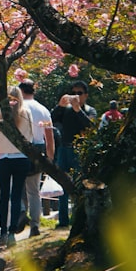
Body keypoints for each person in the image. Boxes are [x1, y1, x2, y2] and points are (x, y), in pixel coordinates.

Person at [0, 86, 34, 247]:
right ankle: (13, 233)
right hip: (21, 158)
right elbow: (31, 136)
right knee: (16, 196)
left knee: (4, 196)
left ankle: (3, 232)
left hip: (4, 159)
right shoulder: (26, 113)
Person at [51, 80, 97, 227]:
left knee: (79, 185)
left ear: (86, 95)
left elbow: (91, 127)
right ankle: (63, 220)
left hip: (79, 151)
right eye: (74, 93)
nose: (76, 96)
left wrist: (78, 110)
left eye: (79, 93)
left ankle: (79, 219)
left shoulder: (90, 111)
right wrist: (60, 106)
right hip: (64, 149)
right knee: (62, 184)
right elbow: (51, 120)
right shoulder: (66, 110)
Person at [18, 79, 55, 238]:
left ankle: (20, 212)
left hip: (19, 149)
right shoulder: (44, 110)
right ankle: (35, 224)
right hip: (38, 149)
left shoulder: (17, 108)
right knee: (34, 191)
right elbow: (49, 135)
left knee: (17, 188)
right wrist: (50, 157)